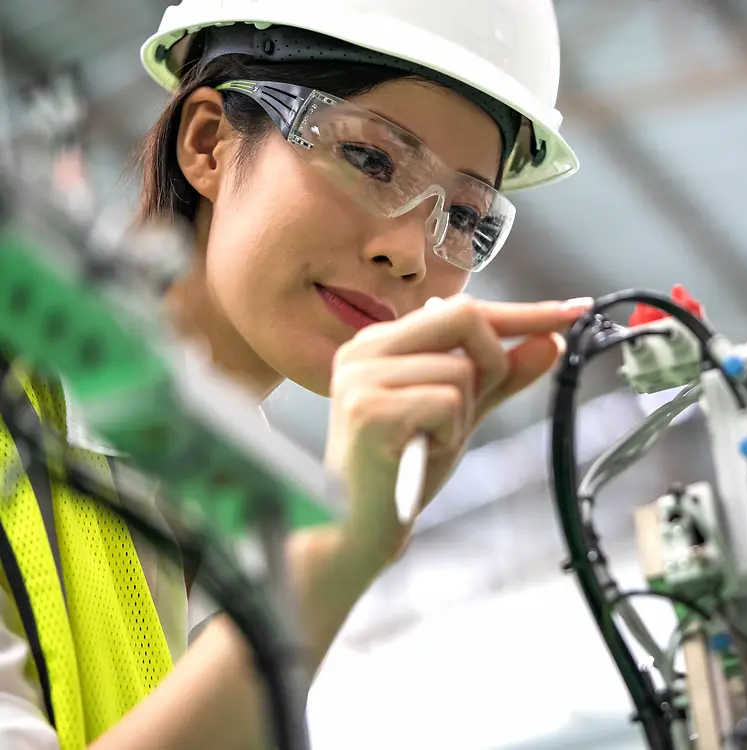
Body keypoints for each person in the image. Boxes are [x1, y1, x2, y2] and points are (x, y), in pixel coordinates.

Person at [0, 1, 588, 748]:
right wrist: (336, 555)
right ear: (208, 143)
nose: (411, 251)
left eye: (467, 218)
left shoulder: (250, 526)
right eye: (371, 159)